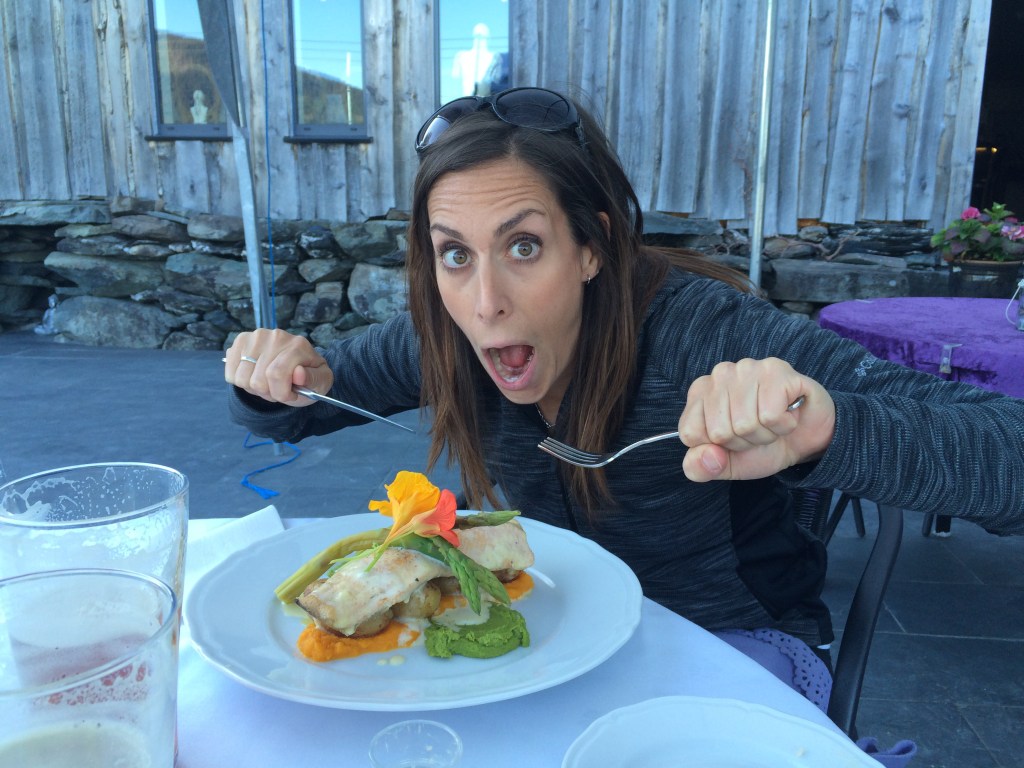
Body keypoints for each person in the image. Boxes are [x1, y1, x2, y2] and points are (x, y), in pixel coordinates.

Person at [226, 87, 1024, 680]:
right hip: (554, 636)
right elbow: (290, 414)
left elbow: (1010, 453)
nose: (485, 301)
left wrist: (826, 427)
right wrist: (273, 377)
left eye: (524, 246)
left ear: (592, 247)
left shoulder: (700, 330)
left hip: (733, 646)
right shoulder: (450, 335)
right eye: (455, 254)